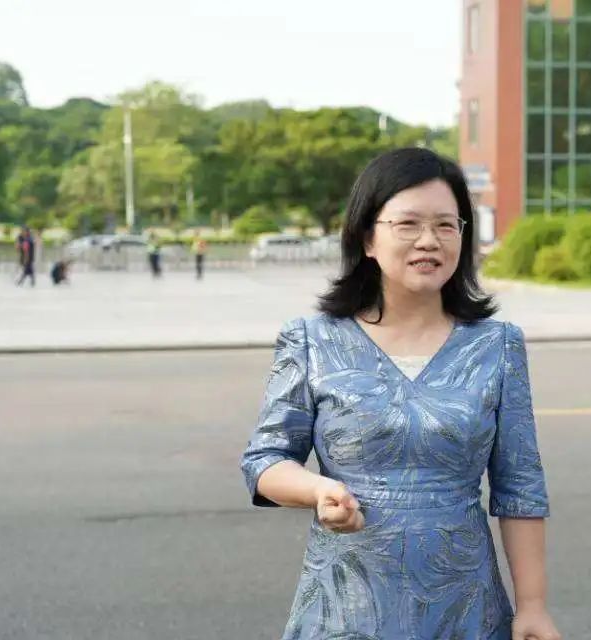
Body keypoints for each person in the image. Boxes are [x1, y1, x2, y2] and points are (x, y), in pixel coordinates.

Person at [239, 148, 560, 640]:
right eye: (408, 224)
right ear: (368, 237)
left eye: (446, 225)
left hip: (465, 608)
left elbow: (520, 487)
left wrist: (533, 606)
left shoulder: (497, 345)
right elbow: (265, 460)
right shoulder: (312, 340)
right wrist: (319, 490)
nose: (429, 241)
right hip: (345, 608)